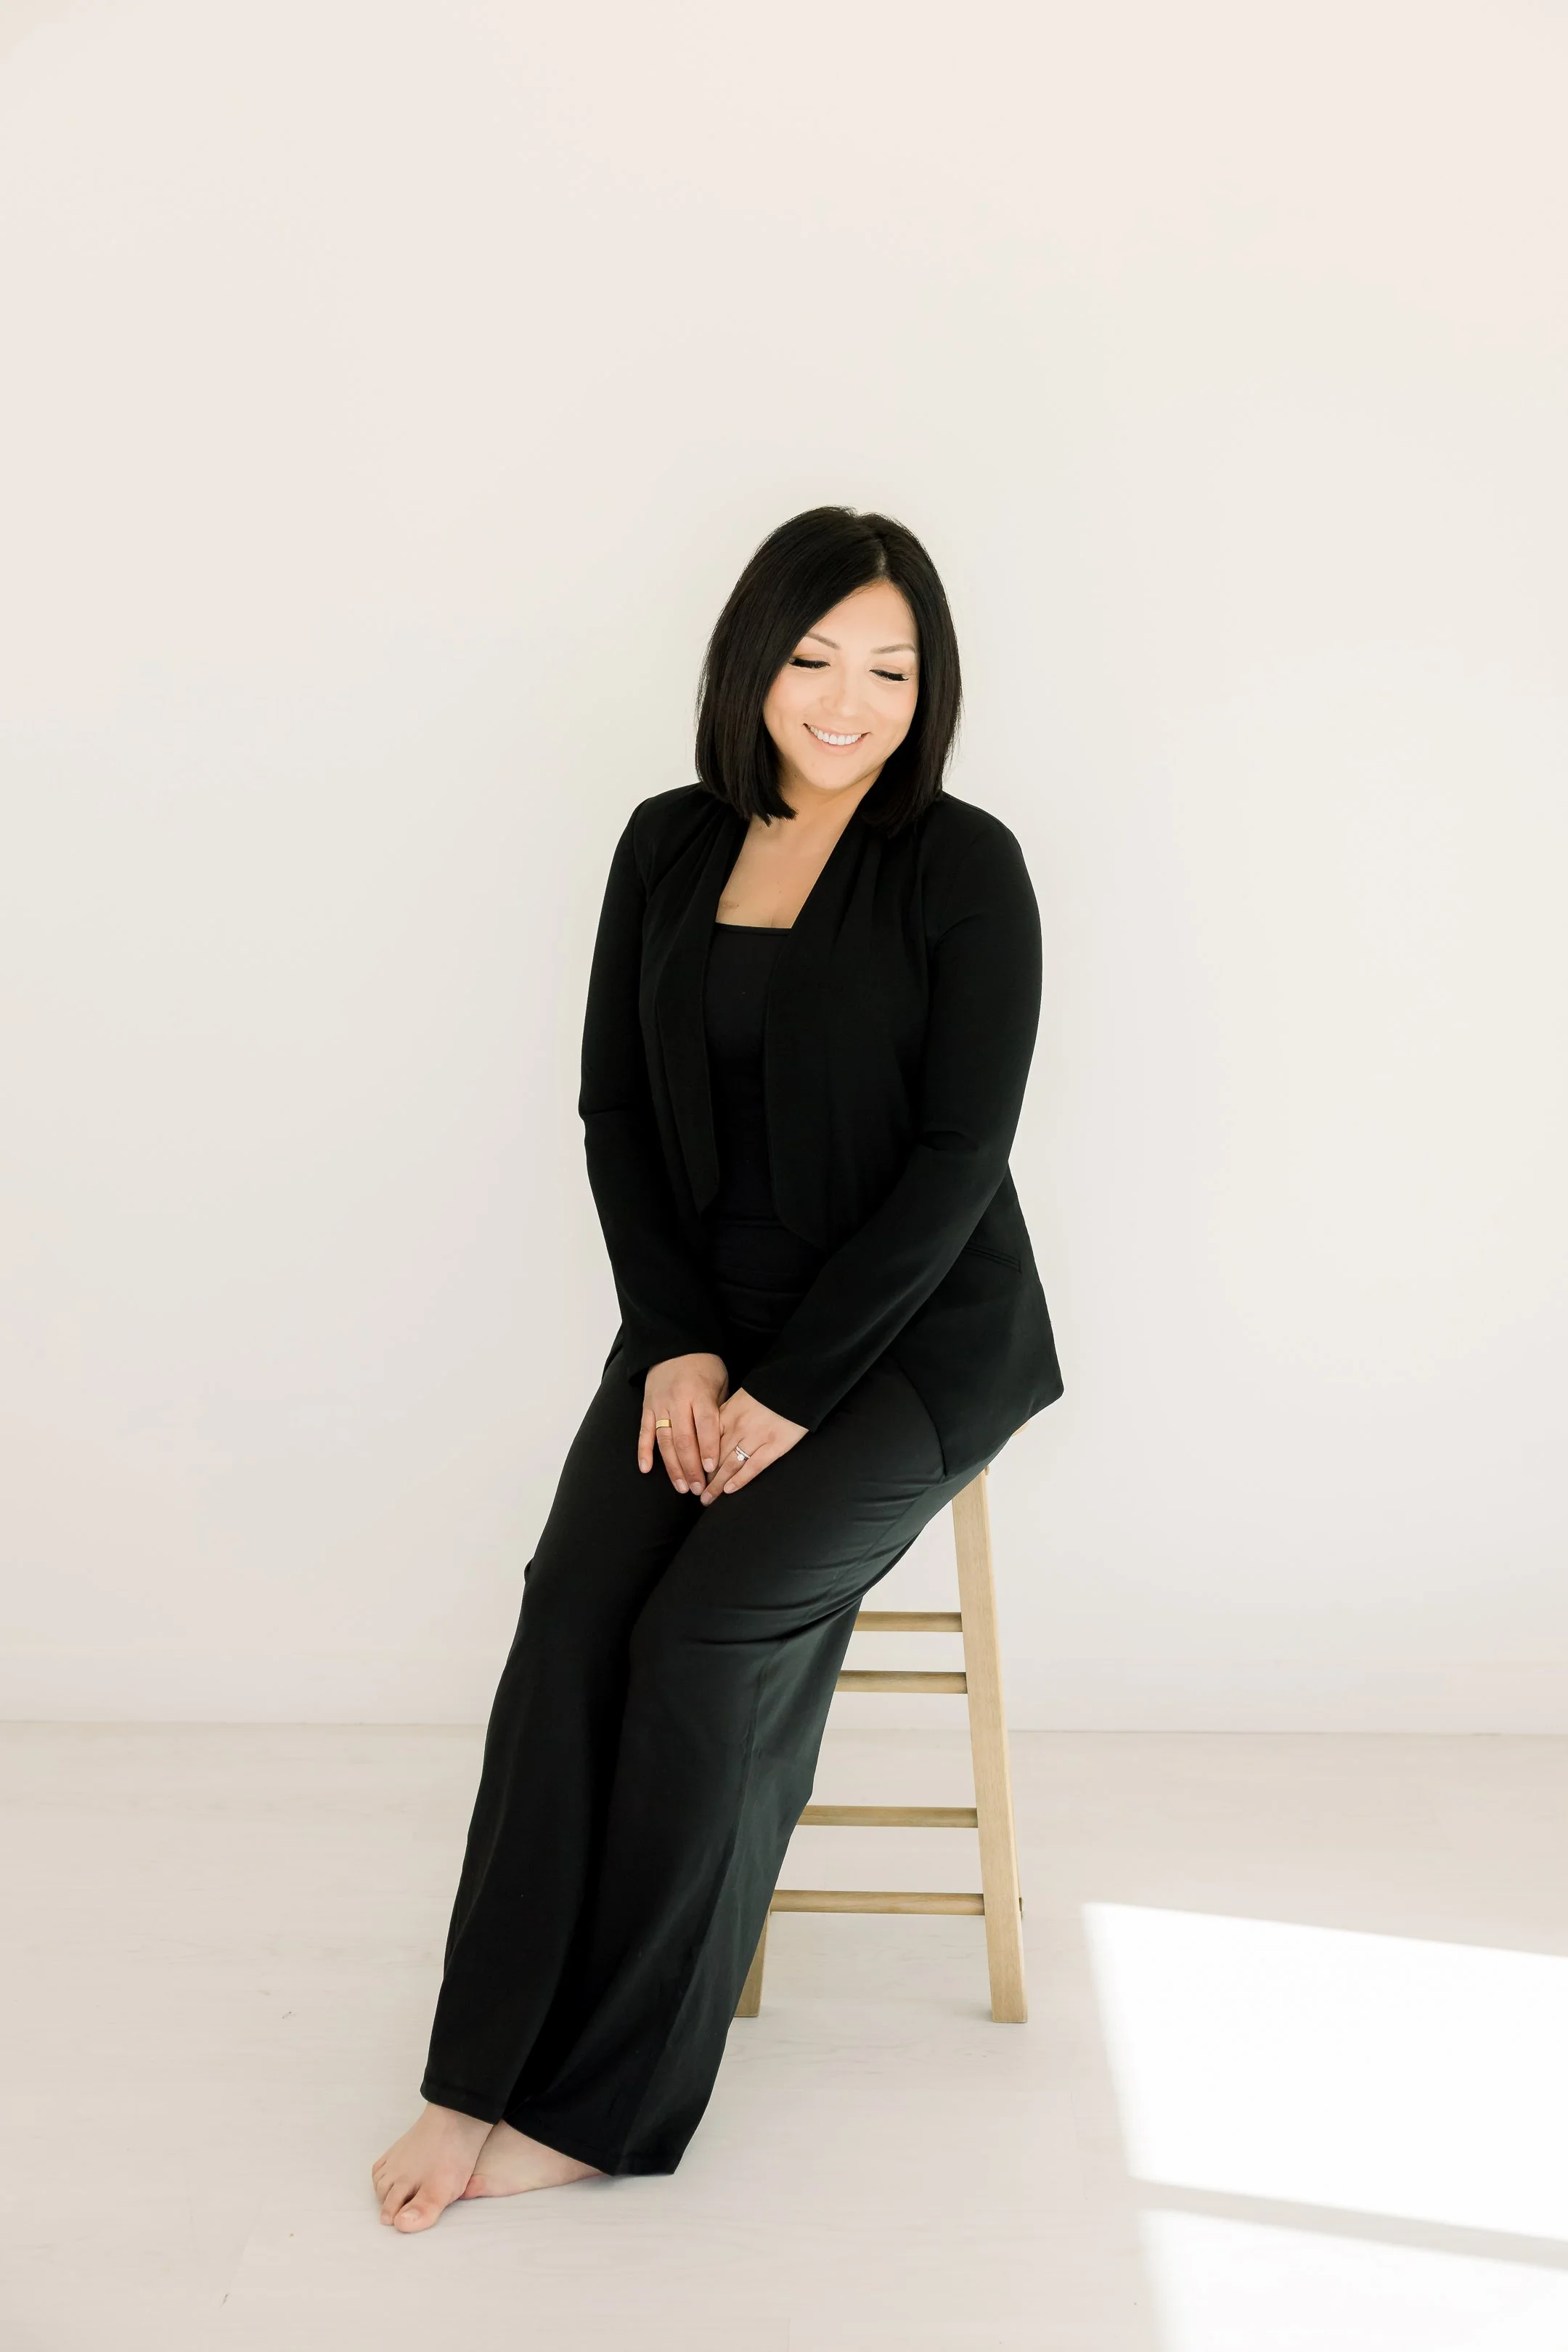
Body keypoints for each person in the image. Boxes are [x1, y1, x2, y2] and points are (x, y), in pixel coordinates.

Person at [371, 505, 1063, 2231]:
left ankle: (604, 2105)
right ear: (752, 664)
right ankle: (475, 2073)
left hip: (912, 1344)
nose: (852, 701)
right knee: (569, 1619)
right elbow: (616, 1111)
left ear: (934, 685)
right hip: (703, 1333)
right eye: (819, 658)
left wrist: (795, 1394)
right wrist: (679, 1346)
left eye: (894, 669)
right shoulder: (666, 845)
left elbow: (956, 1163)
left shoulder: (963, 867)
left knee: (698, 1638)